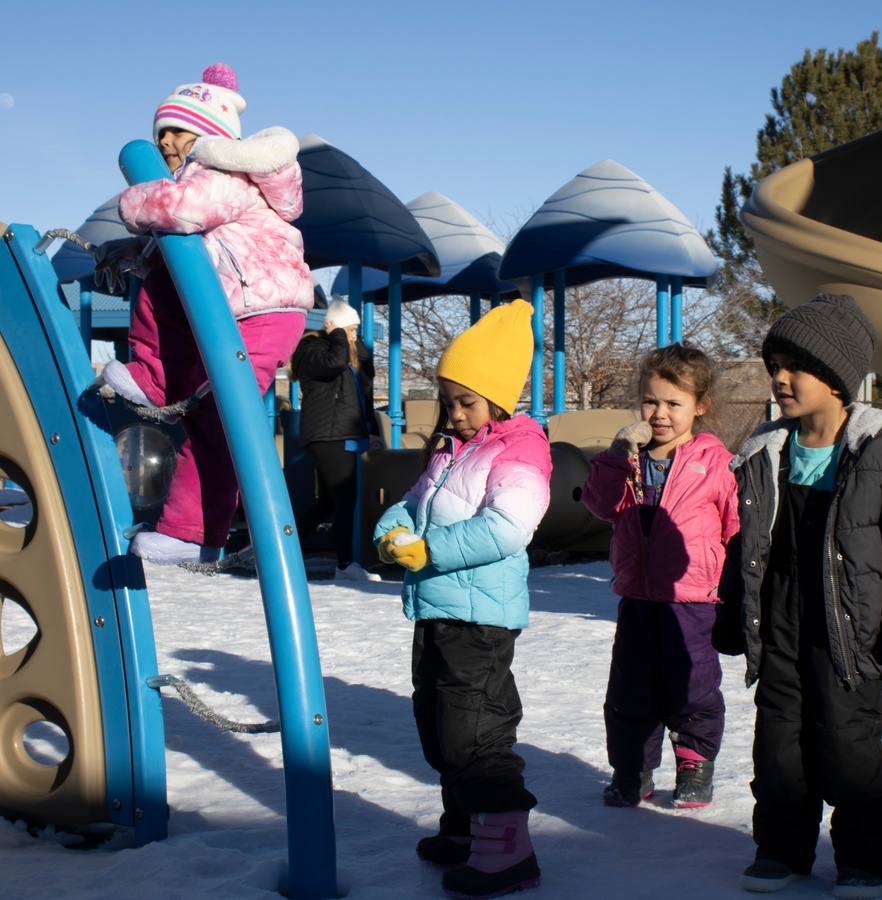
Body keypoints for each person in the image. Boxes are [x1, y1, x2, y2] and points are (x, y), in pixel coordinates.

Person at [715, 294, 882, 898]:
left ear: (838, 379)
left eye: (797, 366)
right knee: (780, 740)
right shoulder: (766, 450)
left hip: (851, 628)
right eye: (775, 365)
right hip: (783, 619)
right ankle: (781, 849)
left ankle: (864, 857)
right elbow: (745, 543)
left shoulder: (880, 450)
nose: (780, 378)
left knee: (847, 741)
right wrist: (733, 610)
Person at [96, 63, 313, 565]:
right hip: (240, 308)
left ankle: (199, 529)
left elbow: (180, 209)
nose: (167, 141)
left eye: (178, 130)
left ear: (211, 135)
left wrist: (130, 205)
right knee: (212, 423)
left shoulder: (222, 175)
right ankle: (200, 533)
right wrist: (130, 249)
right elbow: (191, 241)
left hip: (264, 311)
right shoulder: (211, 184)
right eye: (161, 132)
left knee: (224, 416)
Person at [372, 299, 551, 899]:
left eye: (465, 401)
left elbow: (507, 526)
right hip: (439, 610)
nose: (453, 414)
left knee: (476, 732)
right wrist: (392, 531)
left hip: (481, 617)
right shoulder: (454, 449)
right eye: (448, 401)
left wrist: (429, 551)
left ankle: (507, 851)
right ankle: (465, 830)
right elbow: (412, 503)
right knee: (443, 723)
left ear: (498, 396)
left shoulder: (520, 449)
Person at [581, 343, 739, 810]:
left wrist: (738, 585)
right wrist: (615, 454)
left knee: (693, 686)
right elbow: (600, 504)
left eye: (674, 403)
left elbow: (737, 526)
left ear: (700, 406)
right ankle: (632, 769)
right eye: (651, 401)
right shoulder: (628, 457)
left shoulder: (715, 461)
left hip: (693, 601)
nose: (660, 413)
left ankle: (694, 763)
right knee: (631, 689)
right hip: (637, 595)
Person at [289, 299, 381, 582]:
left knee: (329, 503)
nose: (353, 336)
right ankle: (344, 565)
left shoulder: (341, 348)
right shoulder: (312, 349)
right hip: (327, 434)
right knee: (344, 498)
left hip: (339, 433)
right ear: (335, 327)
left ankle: (278, 547)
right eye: (351, 330)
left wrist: (351, 337)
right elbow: (335, 362)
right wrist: (339, 333)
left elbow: (366, 369)